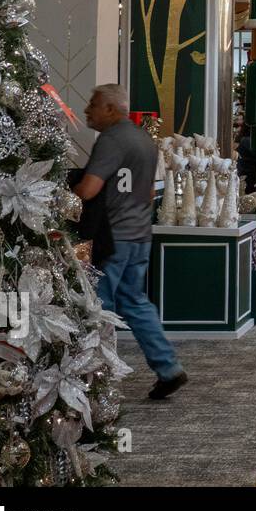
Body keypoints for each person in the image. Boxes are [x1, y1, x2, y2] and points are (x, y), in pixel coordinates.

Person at [73, 84, 187, 400]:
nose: (87, 110)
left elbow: (89, 190)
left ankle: (95, 382)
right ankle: (168, 368)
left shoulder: (110, 140)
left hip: (113, 238)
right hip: (139, 234)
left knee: (98, 309)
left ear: (111, 109)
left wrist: (63, 199)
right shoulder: (143, 140)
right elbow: (150, 192)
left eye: (93, 104)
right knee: (134, 301)